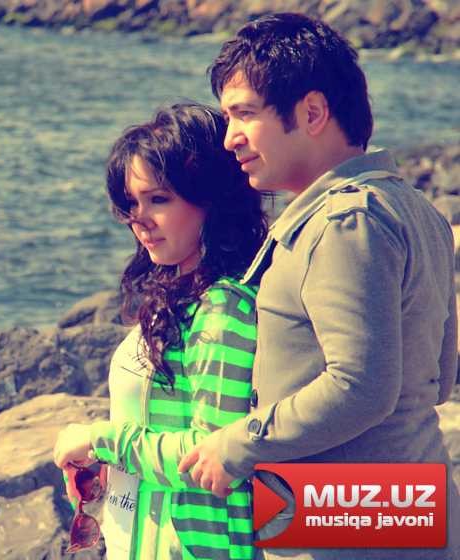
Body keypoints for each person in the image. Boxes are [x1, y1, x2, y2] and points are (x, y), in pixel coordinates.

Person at [176, 12, 460, 560]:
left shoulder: (342, 222)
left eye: (244, 114)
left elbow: (361, 386)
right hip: (402, 512)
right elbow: (439, 378)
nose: (230, 138)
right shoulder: (416, 209)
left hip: (351, 532)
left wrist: (237, 443)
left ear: (311, 112)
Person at [53, 102, 267, 559]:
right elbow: (159, 427)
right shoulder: (178, 294)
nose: (140, 219)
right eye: (132, 203)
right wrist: (106, 465)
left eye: (158, 200)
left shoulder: (222, 307)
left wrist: (101, 440)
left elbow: (213, 455)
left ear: (210, 198)